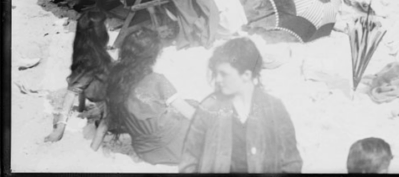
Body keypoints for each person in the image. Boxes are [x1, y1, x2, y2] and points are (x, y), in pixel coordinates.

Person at [180, 38, 302, 173]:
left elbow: (291, 162)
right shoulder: (208, 109)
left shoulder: (274, 109)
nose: (218, 79)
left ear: (246, 75)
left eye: (224, 74)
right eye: (217, 73)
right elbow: (189, 160)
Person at [106, 28, 195, 165]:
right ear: (153, 56)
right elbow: (190, 113)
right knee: (194, 107)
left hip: (145, 152)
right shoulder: (157, 80)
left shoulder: (115, 78)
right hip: (174, 148)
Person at [45, 9, 112, 145]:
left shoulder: (84, 51)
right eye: (105, 27)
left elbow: (77, 86)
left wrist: (81, 106)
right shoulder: (92, 59)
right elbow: (73, 91)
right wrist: (60, 127)